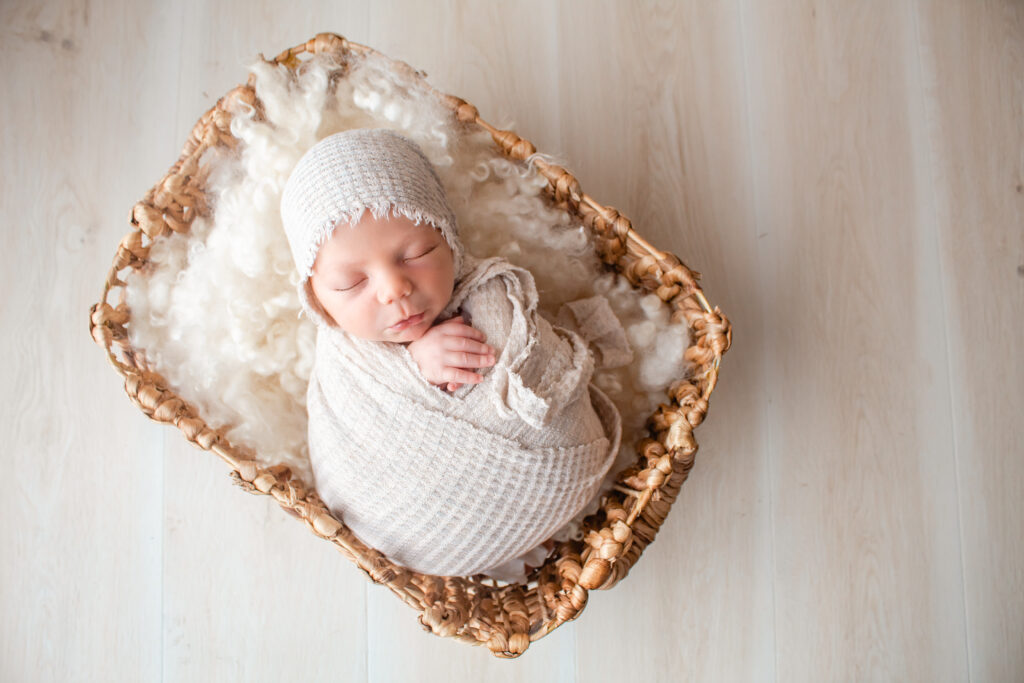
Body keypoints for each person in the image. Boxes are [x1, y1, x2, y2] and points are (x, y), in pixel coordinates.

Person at [280, 128, 632, 579]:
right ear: (316, 299)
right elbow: (347, 426)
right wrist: (415, 366)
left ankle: (522, 535)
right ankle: (501, 546)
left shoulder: (487, 299)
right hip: (395, 515)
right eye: (351, 283)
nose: (394, 289)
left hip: (556, 473)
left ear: (448, 236)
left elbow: (521, 353)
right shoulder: (343, 357)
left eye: (416, 252)